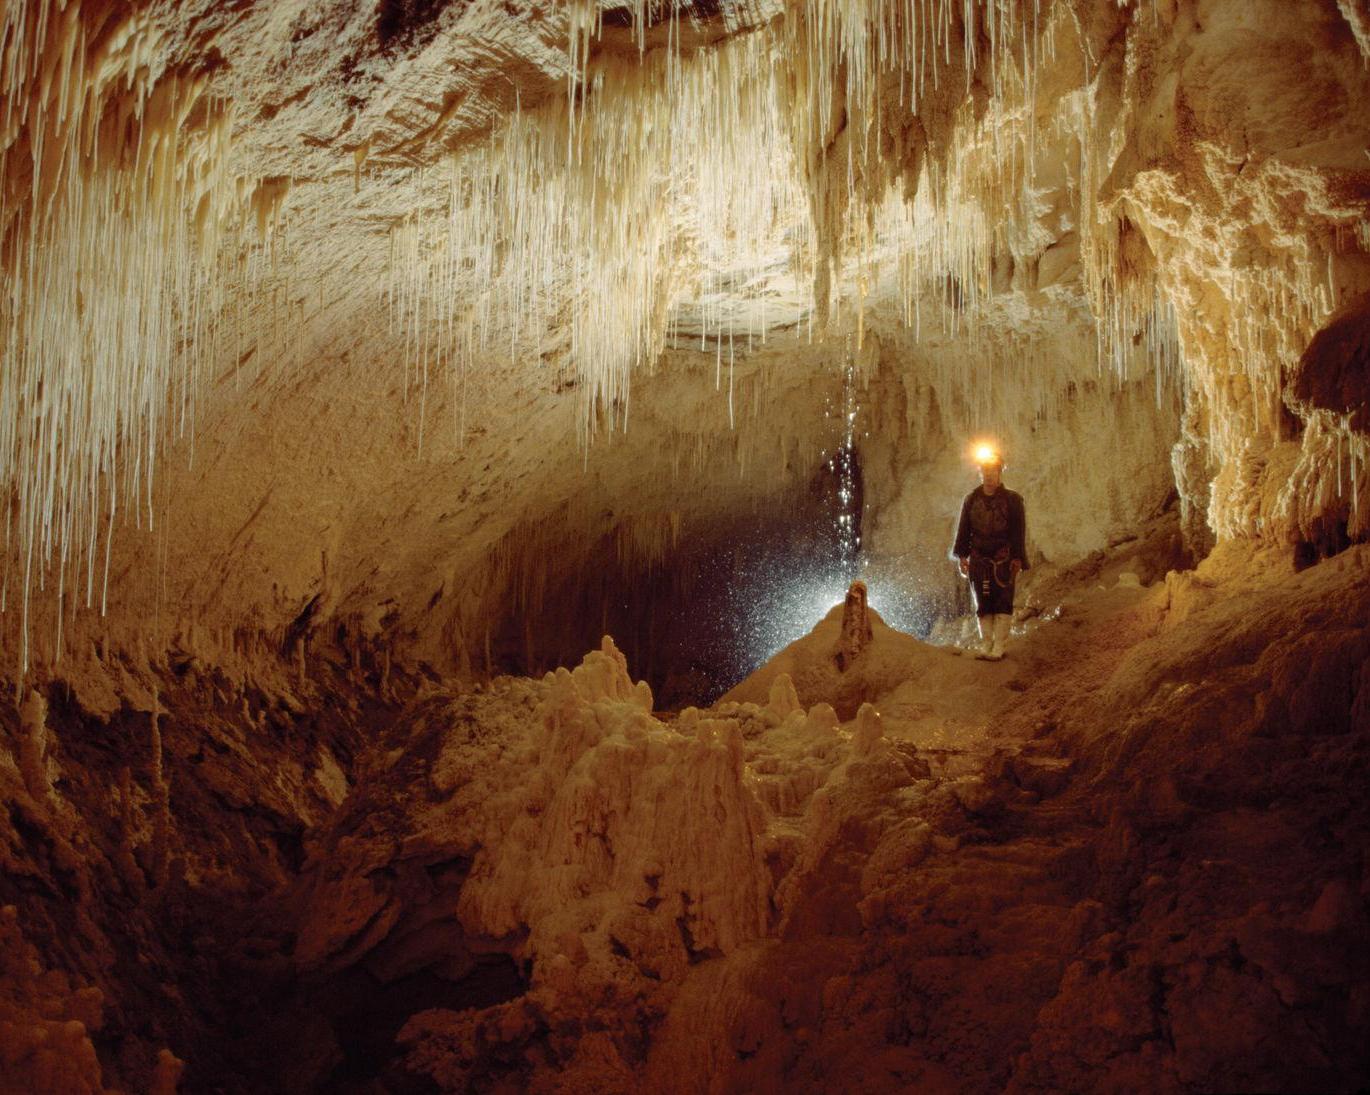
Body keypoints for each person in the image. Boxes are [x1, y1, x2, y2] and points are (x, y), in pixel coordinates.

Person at [951, 446, 1028, 660]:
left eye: (993, 473)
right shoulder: (971, 499)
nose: (989, 477)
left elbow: (1018, 531)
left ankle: (999, 645)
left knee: (1003, 600)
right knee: (983, 603)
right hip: (979, 558)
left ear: (999, 473)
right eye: (986, 473)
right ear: (981, 474)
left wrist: (1018, 557)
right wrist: (962, 556)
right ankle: (986, 643)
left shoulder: (1013, 500)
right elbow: (964, 528)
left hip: (1003, 558)